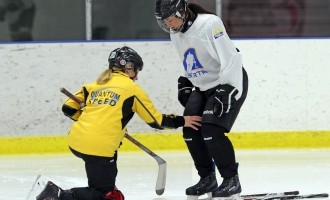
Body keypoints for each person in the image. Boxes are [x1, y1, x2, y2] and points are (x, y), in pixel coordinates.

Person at [35, 46, 202, 200]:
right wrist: (183, 120)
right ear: (129, 67)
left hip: (77, 141)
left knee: (110, 185)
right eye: (136, 69)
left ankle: (105, 186)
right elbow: (156, 121)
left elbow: (68, 108)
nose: (137, 75)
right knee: (105, 195)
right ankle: (57, 196)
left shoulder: (94, 85)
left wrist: (93, 119)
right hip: (98, 147)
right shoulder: (132, 89)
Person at [155, 1, 248, 200]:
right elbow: (191, 59)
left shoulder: (210, 24)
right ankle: (207, 178)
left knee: (211, 130)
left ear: (182, 12)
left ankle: (232, 180)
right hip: (202, 86)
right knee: (190, 130)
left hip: (228, 81)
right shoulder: (176, 33)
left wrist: (228, 90)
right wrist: (186, 80)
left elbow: (232, 58)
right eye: (165, 22)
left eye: (171, 19)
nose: (169, 25)